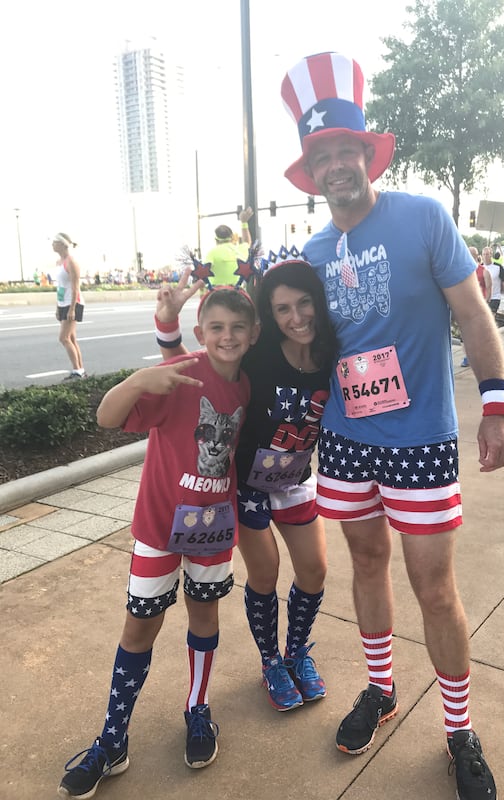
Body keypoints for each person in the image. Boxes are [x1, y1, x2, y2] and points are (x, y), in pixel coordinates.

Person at [280, 51, 504, 800]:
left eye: (347, 149)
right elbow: (299, 349)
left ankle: (458, 731)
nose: (338, 164)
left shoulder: (421, 217)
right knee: (367, 565)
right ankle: (381, 691)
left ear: (368, 153)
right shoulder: (313, 254)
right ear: (312, 171)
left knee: (435, 588)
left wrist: (499, 402)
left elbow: (473, 311)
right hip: (346, 443)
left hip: (419, 440)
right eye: (323, 156)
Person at [57, 287, 259, 799]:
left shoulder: (250, 387)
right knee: (139, 626)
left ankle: (198, 711)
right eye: (216, 328)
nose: (227, 336)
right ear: (201, 334)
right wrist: (139, 379)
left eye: (237, 328)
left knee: (205, 618)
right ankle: (113, 739)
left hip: (212, 531)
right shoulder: (179, 376)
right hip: (157, 530)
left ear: (252, 335)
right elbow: (106, 418)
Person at [154, 259, 338, 712]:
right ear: (268, 319)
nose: (296, 318)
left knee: (314, 570)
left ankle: (297, 653)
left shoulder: (332, 355)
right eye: (282, 309)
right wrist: (167, 323)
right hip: (247, 484)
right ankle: (271, 662)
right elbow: (192, 372)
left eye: (304, 303)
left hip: (295, 477)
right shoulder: (259, 358)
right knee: (266, 572)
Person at [52, 233, 86, 379]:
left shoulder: (71, 262)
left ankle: (77, 371)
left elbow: (75, 287)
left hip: (73, 302)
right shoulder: (59, 262)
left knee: (63, 338)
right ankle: (80, 370)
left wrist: (72, 308)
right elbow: (60, 286)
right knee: (71, 338)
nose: (52, 245)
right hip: (62, 302)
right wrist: (57, 307)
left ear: (62, 244)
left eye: (54, 242)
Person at [204, 207, 253, 286]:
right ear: (232, 237)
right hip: (237, 292)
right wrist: (244, 222)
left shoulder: (212, 253)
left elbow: (204, 272)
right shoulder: (240, 250)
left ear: (216, 240)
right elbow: (247, 242)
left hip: (216, 293)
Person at [460, 247, 490, 367]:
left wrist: (486, 302)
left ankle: (480, 354)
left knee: (479, 331)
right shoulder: (461, 270)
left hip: (479, 305)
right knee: (464, 333)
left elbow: (489, 287)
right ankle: (468, 356)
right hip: (465, 306)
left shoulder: (483, 270)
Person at [482, 246, 504, 315]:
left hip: (495, 297)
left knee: (490, 317)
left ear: (491, 255)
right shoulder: (480, 267)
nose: (485, 256)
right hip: (483, 297)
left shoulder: (498, 267)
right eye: (483, 254)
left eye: (487, 254)